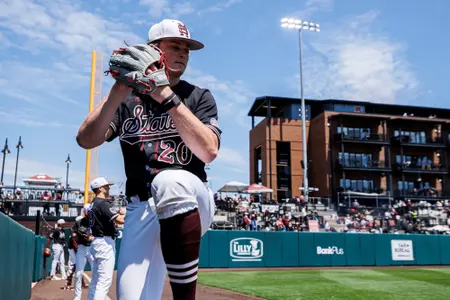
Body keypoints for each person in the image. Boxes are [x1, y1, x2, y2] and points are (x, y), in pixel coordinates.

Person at [76, 18, 220, 300]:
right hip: (139, 208)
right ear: (153, 50)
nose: (182, 53)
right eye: (175, 46)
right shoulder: (127, 100)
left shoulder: (199, 96)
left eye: (186, 49)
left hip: (191, 199)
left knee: (170, 180)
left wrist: (163, 92)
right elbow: (86, 140)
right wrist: (118, 91)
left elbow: (208, 151)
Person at [85, 177, 125, 300]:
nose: (109, 187)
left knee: (96, 282)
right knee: (104, 282)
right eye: (106, 186)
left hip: (96, 242)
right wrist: (131, 211)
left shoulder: (93, 204)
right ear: (100, 188)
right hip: (104, 242)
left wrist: (121, 211)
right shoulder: (102, 203)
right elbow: (120, 220)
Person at [73, 205, 94, 299]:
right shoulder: (79, 221)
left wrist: (90, 237)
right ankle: (77, 297)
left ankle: (93, 295)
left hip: (92, 248)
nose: (89, 213)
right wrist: (77, 234)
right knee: (78, 274)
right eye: (87, 212)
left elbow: (99, 235)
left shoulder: (95, 220)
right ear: (84, 212)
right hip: (82, 247)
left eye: (90, 211)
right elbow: (73, 234)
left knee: (96, 273)